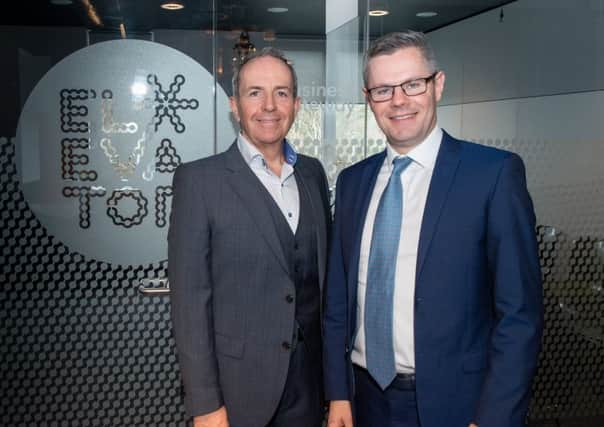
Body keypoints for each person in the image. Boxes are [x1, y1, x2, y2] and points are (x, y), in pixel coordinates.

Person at [323, 30, 543, 427]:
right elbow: (338, 300)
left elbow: (519, 315)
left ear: (437, 85)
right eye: (383, 89)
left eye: (412, 84)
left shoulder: (492, 175)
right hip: (362, 401)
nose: (399, 101)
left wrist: (493, 418)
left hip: (456, 406)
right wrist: (338, 392)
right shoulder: (353, 182)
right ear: (368, 98)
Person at [168, 47, 330, 427]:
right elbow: (190, 303)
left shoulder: (313, 174)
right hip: (237, 391)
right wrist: (205, 404)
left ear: (297, 104)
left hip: (309, 386)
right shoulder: (199, 181)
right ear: (234, 105)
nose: (269, 106)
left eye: (282, 92)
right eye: (255, 92)